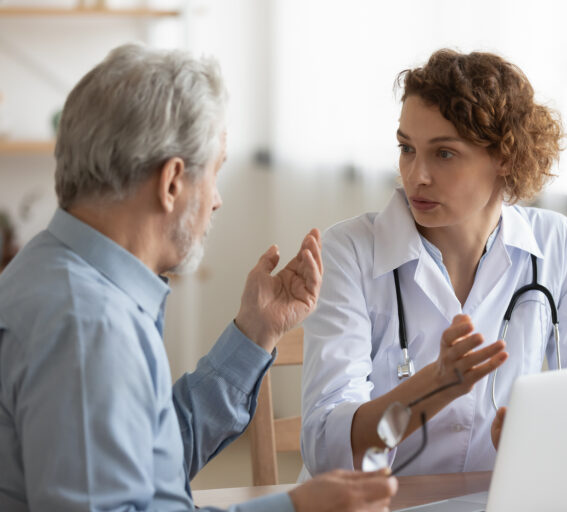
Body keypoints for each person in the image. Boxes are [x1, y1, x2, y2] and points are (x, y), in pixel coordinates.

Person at [0, 44, 396, 512]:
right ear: (171, 183)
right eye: (216, 171)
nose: (217, 199)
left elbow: (149, 465)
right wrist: (294, 509)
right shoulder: (91, 326)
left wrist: (254, 333)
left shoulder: (52, 270)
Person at [301, 49, 567, 477]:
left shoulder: (557, 244)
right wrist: (433, 386)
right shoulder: (350, 252)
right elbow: (326, 445)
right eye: (407, 148)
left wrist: (543, 439)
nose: (416, 175)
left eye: (444, 154)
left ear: (505, 156)